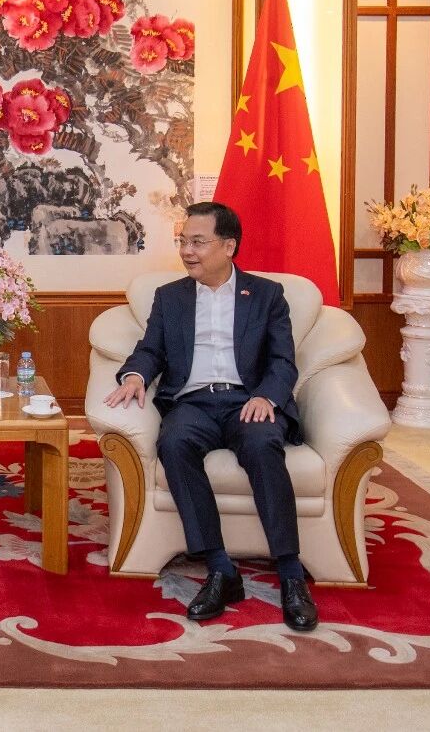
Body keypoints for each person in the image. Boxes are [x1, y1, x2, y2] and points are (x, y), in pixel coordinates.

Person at [104, 201, 318, 632]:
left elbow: (283, 361)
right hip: (194, 402)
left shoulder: (266, 294)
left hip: (247, 400)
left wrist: (267, 397)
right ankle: (220, 568)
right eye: (183, 241)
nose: (187, 251)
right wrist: (135, 376)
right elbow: (150, 350)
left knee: (263, 444)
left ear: (229, 246)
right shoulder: (171, 297)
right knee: (173, 442)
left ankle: (291, 573)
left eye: (198, 242)